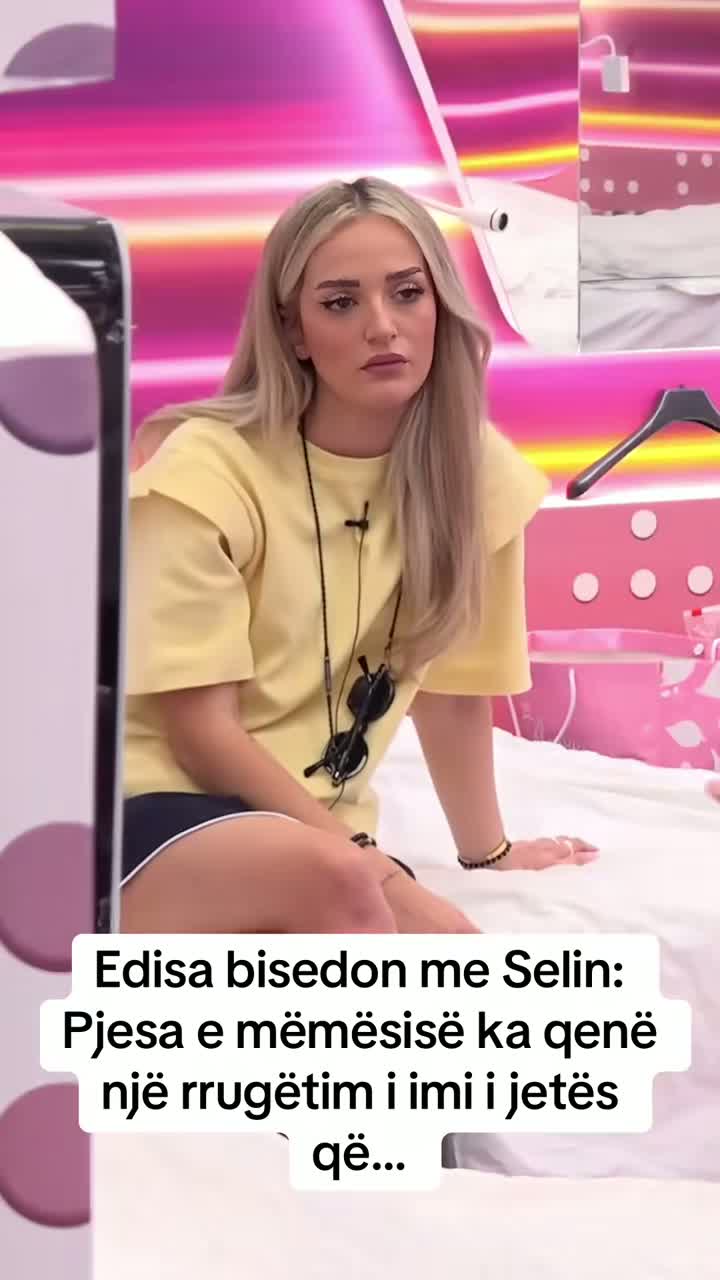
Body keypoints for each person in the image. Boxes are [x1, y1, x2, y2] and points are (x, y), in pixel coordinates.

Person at [120, 175, 596, 936]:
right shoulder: (203, 474)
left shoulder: (476, 474)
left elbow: (453, 690)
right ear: (294, 332)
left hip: (318, 839)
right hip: (155, 809)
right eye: (341, 303)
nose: (383, 326)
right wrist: (385, 880)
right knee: (354, 894)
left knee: (354, 891)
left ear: (439, 306)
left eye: (407, 293)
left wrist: (489, 854)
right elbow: (201, 736)